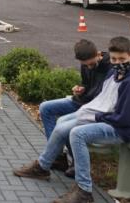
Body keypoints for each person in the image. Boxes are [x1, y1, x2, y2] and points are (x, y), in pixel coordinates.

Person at [13, 37, 130, 203]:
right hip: (107, 117)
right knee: (63, 123)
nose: (117, 62)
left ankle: (83, 190)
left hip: (123, 129)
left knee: (77, 133)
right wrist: (92, 110)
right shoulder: (117, 74)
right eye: (114, 59)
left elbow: (125, 119)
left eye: (122, 59)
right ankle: (47, 165)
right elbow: (106, 100)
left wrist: (96, 116)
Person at [40, 40, 111, 176]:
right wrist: (80, 89)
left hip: (94, 107)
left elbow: (105, 95)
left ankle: (76, 163)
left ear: (98, 54)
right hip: (81, 101)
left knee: (67, 125)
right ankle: (58, 157)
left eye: (91, 64)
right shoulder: (85, 64)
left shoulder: (109, 66)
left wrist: (87, 95)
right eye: (85, 65)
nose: (89, 67)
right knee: (46, 107)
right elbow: (87, 84)